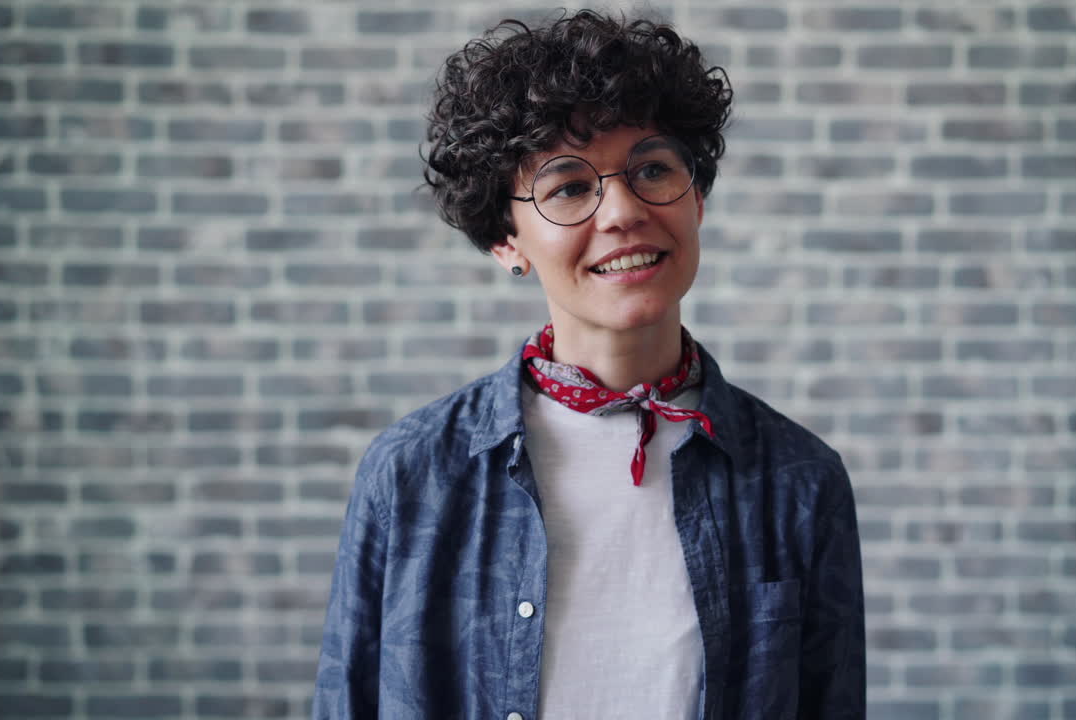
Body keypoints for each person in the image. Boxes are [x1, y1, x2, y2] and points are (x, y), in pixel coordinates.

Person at [312, 9, 865, 719]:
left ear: (696, 197)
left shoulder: (800, 480)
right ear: (505, 238)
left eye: (653, 170)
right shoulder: (412, 473)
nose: (623, 211)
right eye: (570, 186)